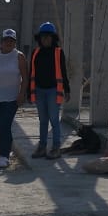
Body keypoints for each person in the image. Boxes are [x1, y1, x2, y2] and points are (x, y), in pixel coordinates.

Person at [0, 28, 27, 169]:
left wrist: (22, 93)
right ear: (1, 42)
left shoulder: (19, 56)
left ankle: (4, 156)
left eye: (12, 41)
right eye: (6, 40)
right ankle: (3, 154)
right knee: (0, 126)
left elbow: (25, 77)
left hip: (11, 97)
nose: (9, 43)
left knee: (5, 125)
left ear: (15, 43)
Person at [28, 22, 70, 159]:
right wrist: (29, 92)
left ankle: (56, 148)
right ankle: (42, 147)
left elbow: (63, 72)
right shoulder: (36, 53)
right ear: (39, 38)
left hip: (53, 91)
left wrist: (67, 90)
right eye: (43, 36)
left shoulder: (58, 52)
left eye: (48, 36)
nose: (45, 39)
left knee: (54, 119)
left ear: (53, 38)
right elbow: (31, 73)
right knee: (43, 120)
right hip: (39, 90)